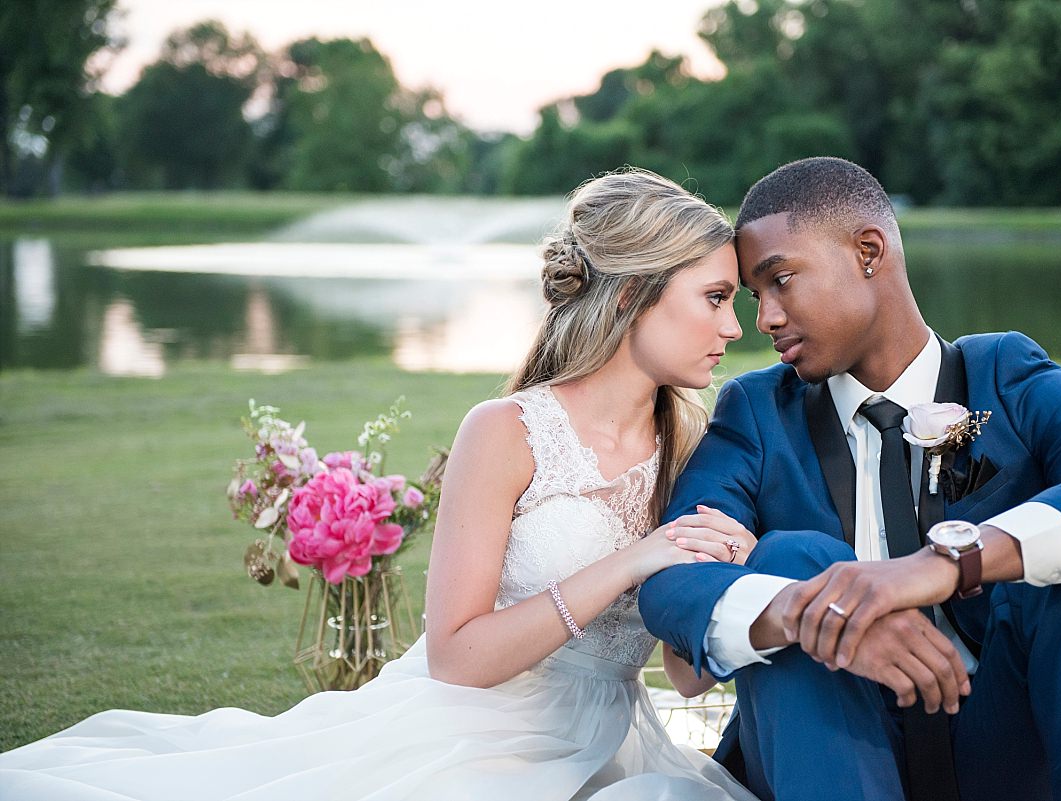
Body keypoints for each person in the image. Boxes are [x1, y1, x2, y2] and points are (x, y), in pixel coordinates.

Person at [0, 169, 759, 801]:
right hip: (474, 737)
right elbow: (456, 657)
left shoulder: (693, 444)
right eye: (715, 298)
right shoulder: (506, 431)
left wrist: (729, 582)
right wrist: (631, 560)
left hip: (619, 743)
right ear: (629, 294)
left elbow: (688, 680)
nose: (734, 328)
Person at [639, 157, 1061, 801]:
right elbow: (671, 581)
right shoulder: (758, 411)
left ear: (868, 251)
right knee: (796, 561)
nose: (765, 319)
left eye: (782, 281)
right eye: (758, 297)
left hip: (1004, 743)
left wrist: (949, 563)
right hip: (828, 747)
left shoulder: (1004, 374)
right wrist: (820, 613)